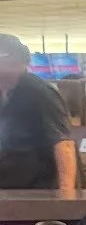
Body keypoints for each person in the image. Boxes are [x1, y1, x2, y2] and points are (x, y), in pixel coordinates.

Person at [0, 34, 76, 193]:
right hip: (8, 186)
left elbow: (63, 144)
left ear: (22, 65)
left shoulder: (39, 93)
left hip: (39, 188)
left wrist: (67, 195)